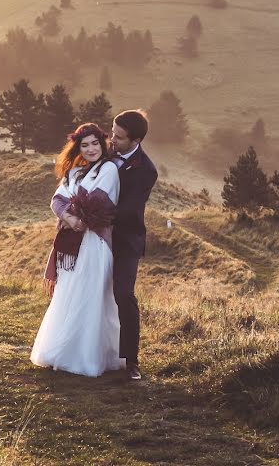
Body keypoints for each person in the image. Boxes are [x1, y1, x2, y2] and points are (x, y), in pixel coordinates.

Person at [31, 123, 124, 378]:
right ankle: (61, 351)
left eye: (95, 143)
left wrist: (70, 210)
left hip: (95, 243)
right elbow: (56, 200)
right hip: (72, 243)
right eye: (85, 145)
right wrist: (71, 219)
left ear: (103, 144)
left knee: (91, 296)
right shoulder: (74, 172)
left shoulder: (109, 169)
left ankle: (87, 358)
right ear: (78, 148)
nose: (91, 149)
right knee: (68, 293)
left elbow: (97, 202)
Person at [109, 110, 158, 381]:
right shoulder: (105, 151)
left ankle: (131, 360)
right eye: (112, 131)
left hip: (125, 240)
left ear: (136, 140)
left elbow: (128, 210)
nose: (112, 139)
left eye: (118, 137)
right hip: (95, 237)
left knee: (123, 294)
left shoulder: (146, 171)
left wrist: (93, 215)